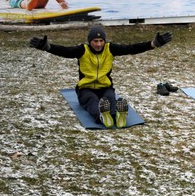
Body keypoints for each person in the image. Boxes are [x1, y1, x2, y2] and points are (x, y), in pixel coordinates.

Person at [28, 26, 173, 128]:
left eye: (101, 41)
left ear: (104, 41)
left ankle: (116, 115)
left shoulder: (110, 48)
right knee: (92, 102)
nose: (98, 44)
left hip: (105, 87)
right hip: (85, 89)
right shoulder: (82, 50)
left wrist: (153, 44)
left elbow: (131, 48)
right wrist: (47, 47)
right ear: (89, 41)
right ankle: (102, 116)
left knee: (110, 99)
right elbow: (65, 51)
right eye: (95, 41)